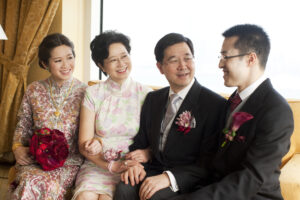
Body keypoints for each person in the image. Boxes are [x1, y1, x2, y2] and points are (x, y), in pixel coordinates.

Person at [170, 24, 294, 200]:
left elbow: (250, 178)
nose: (220, 64)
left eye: (225, 57)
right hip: (215, 188)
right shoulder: (232, 101)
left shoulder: (276, 111)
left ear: (251, 59)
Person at [114, 33, 226, 200]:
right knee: (124, 188)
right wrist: (135, 164)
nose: (183, 66)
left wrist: (169, 178)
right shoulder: (153, 99)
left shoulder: (214, 105)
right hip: (152, 169)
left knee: (154, 196)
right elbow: (141, 142)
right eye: (174, 60)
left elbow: (208, 162)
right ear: (160, 67)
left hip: (186, 179)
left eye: (188, 58)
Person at [72, 31, 152, 200]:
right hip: (97, 165)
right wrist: (109, 165)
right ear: (102, 66)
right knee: (85, 197)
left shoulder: (145, 94)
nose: (121, 64)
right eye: (113, 60)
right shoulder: (93, 93)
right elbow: (83, 144)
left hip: (129, 167)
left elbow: (154, 141)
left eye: (124, 56)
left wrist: (146, 153)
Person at [10, 33, 87, 199]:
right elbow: (23, 124)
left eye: (69, 57)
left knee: (46, 184)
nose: (66, 65)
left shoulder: (86, 92)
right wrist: (17, 148)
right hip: (36, 159)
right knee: (29, 181)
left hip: (70, 162)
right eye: (58, 60)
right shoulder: (33, 90)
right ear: (45, 64)